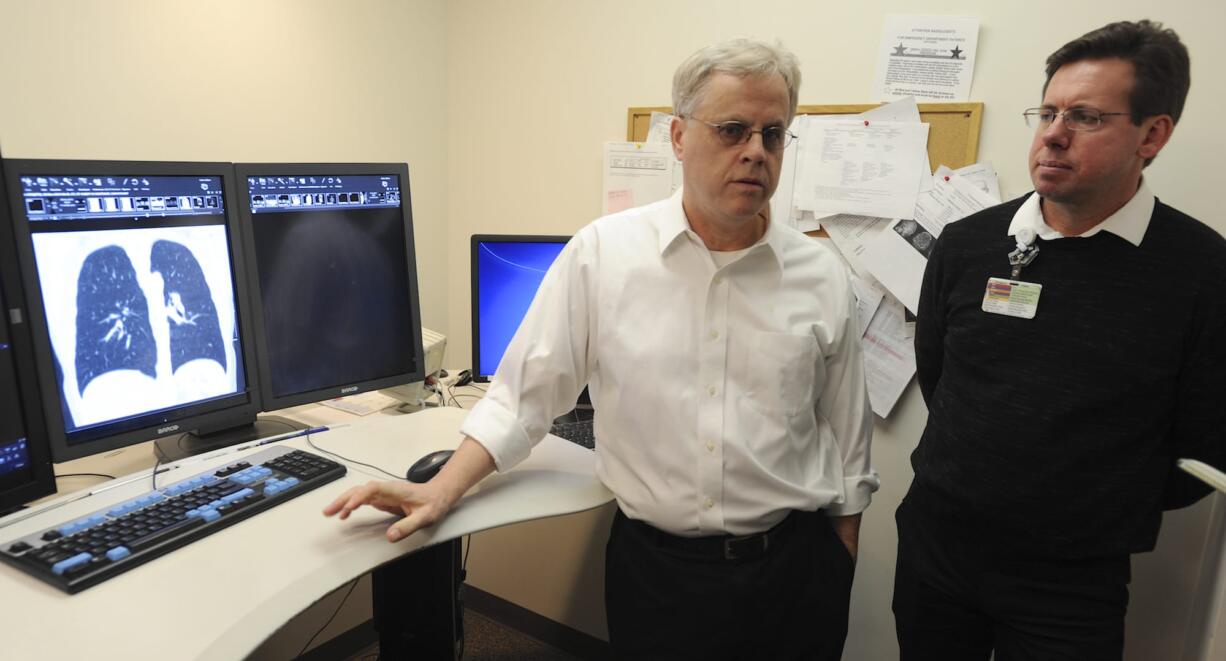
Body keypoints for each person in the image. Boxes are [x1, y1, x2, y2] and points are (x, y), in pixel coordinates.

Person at [325, 38, 878, 660]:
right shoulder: (604, 253)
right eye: (732, 130)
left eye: (773, 134)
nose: (755, 151)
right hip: (660, 576)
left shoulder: (820, 273)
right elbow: (522, 397)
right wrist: (442, 489)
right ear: (677, 136)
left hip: (793, 572)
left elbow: (847, 434)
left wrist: (839, 557)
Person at [894, 20, 1226, 660]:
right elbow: (941, 379)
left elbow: (1202, 447)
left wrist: (1088, 506)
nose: (1053, 133)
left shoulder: (1202, 272)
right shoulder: (967, 244)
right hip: (938, 550)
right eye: (1047, 111)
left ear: (1152, 135)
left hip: (1071, 582)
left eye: (1087, 117)